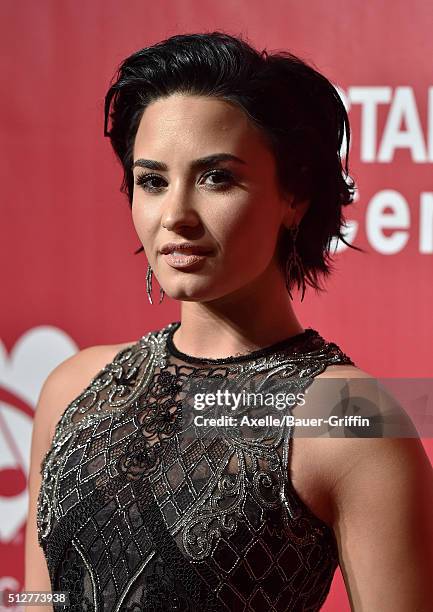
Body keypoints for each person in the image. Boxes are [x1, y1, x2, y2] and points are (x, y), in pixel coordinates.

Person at [25, 31, 433, 611]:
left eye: (217, 177)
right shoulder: (72, 389)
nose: (176, 216)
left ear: (294, 196)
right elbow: (37, 603)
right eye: (152, 181)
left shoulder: (349, 420)